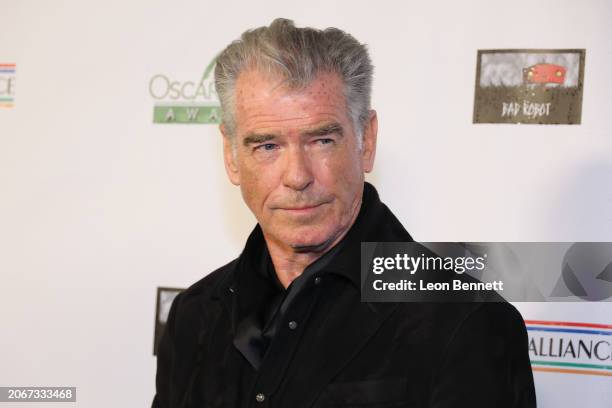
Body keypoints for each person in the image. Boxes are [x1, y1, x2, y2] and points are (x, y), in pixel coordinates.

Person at [152, 18, 536, 408]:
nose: (297, 176)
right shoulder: (193, 316)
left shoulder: (464, 324)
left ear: (366, 141)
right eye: (267, 146)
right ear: (231, 156)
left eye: (321, 140)